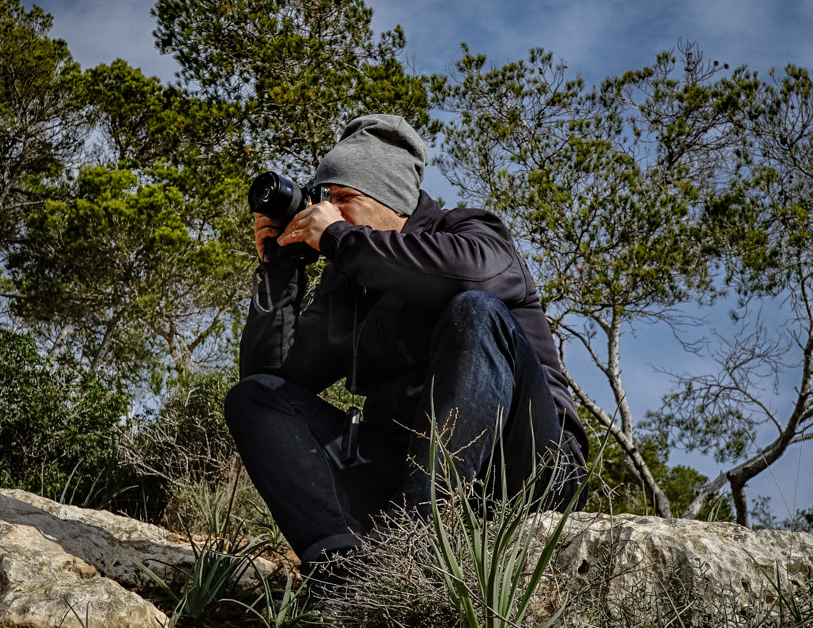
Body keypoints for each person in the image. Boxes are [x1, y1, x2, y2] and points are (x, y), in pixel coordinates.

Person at [225, 113, 589, 602]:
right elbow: (275, 378)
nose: (329, 213)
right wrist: (280, 272)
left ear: (390, 201)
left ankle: (413, 551)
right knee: (254, 397)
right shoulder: (346, 284)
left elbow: (469, 280)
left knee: (475, 312)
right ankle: (345, 579)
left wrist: (339, 239)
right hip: (404, 472)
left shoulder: (471, 231)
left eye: (343, 200)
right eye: (324, 201)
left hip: (527, 468)